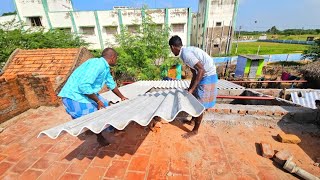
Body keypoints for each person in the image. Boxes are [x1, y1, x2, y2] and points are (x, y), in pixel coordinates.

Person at [58, 48, 128, 146]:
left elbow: (111, 84)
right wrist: (98, 101)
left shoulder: (105, 67)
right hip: (74, 96)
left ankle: (113, 128)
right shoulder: (97, 65)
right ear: (112, 57)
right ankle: (100, 137)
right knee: (94, 116)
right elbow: (83, 86)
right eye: (116, 58)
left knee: (107, 105)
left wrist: (122, 97)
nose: (116, 61)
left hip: (85, 93)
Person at [169, 35, 218, 138]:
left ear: (173, 47)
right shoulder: (184, 53)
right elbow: (195, 73)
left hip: (208, 75)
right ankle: (192, 120)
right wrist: (191, 88)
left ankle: (195, 130)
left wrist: (191, 89)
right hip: (203, 75)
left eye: (171, 49)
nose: (171, 51)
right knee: (194, 98)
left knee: (200, 104)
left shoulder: (186, 54)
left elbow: (201, 70)